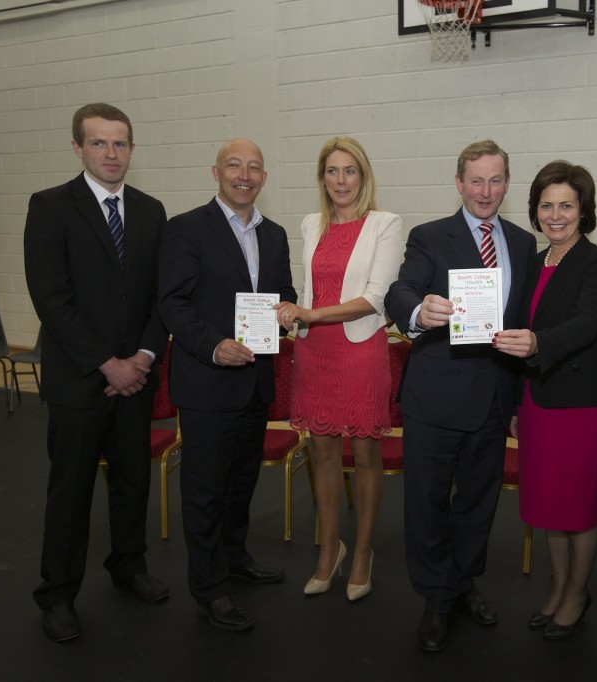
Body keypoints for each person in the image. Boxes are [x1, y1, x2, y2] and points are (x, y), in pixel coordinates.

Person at [24, 102, 170, 642]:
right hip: (79, 379)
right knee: (71, 491)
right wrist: (107, 363)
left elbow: (161, 296)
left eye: (121, 143)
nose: (111, 153)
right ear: (78, 147)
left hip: (136, 377)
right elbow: (52, 299)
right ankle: (57, 594)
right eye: (100, 143)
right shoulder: (50, 207)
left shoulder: (152, 211)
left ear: (132, 148)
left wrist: (143, 360)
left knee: (133, 482)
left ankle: (128, 567)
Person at [385, 140, 537, 652]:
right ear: (458, 183)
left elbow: (521, 322)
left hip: (494, 396)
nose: (485, 192)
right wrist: (418, 311)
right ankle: (435, 598)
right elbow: (399, 291)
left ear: (507, 183)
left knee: (478, 502)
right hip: (437, 395)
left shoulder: (521, 241)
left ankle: (462, 582)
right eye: (476, 180)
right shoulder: (429, 236)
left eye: (495, 181)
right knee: (426, 501)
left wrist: (516, 400)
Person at [158, 138, 297, 632]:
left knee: (240, 482)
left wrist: (287, 313)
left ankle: (235, 557)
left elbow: (284, 293)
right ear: (215, 172)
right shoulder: (186, 229)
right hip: (207, 381)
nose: (245, 174)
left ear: (264, 177)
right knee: (204, 490)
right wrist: (213, 344)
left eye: (254, 167)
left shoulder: (275, 235)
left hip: (255, 383)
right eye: (235, 166)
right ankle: (210, 587)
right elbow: (173, 302)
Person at [274, 137, 403, 601]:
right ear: (322, 178)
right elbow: (309, 289)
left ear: (363, 176)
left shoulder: (385, 224)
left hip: (360, 351)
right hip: (313, 353)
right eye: (332, 171)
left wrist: (310, 314)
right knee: (323, 455)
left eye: (350, 171)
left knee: (366, 457)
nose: (341, 180)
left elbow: (374, 298)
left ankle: (363, 553)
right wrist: (294, 311)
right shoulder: (311, 223)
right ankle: (330, 550)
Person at [493, 161, 597, 640]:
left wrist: (539, 343)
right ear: (535, 210)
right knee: (548, 505)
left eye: (567, 205)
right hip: (535, 400)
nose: (556, 214)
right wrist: (513, 404)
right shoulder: (532, 261)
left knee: (578, 507)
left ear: (583, 210)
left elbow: (588, 322)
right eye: (547, 205)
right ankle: (559, 585)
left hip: (579, 405)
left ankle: (578, 593)